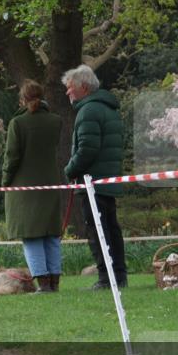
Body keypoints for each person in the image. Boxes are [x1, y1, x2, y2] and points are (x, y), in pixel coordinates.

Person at [62, 64, 128, 290]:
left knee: (97, 231)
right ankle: (119, 276)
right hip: (108, 180)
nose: (67, 92)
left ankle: (105, 278)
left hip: (93, 182)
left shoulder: (88, 111)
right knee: (111, 229)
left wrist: (70, 170)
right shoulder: (108, 108)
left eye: (70, 87)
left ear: (83, 87)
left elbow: (87, 149)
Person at [2, 80, 64, 293]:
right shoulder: (56, 121)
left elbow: (12, 157)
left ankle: (43, 283)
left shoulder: (17, 123)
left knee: (31, 235)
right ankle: (54, 283)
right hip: (50, 184)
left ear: (22, 99)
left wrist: (5, 181)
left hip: (24, 188)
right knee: (51, 234)